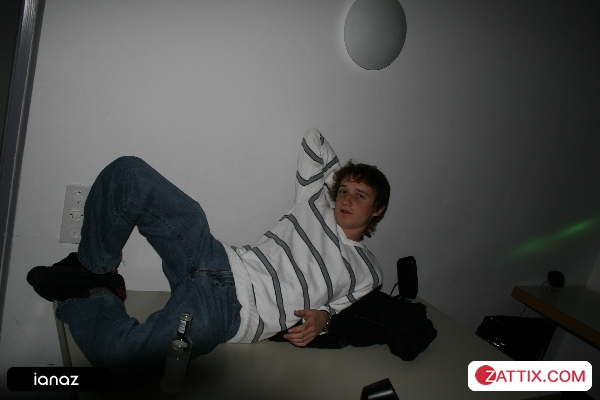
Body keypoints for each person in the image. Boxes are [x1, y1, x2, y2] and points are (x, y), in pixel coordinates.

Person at [27, 128, 390, 379]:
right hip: (216, 258)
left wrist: (323, 320)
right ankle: (94, 269)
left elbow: (337, 306)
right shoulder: (314, 204)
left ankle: (91, 295)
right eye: (344, 191)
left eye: (360, 196)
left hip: (226, 313)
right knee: (129, 174)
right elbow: (314, 140)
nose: (346, 199)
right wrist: (343, 179)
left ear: (378, 210)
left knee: (125, 362)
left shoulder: (368, 272)